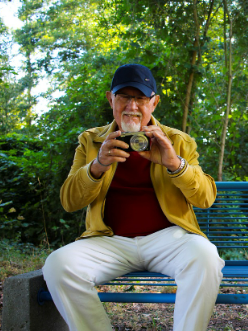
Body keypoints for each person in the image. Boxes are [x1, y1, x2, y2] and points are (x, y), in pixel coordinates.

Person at [42, 64, 224, 331]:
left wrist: (175, 164)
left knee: (205, 257)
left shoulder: (178, 140)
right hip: (110, 241)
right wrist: (97, 166)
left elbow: (206, 198)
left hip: (168, 239)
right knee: (58, 265)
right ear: (110, 99)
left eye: (140, 98)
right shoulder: (91, 141)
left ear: (154, 102)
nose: (132, 106)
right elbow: (69, 201)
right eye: (124, 97)